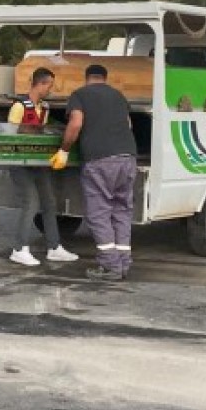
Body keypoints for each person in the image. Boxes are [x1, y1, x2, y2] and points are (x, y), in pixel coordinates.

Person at [52, 64, 138, 281]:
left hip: (100, 160)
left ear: (87, 78)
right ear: (104, 78)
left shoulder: (80, 94)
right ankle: (123, 263)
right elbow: (128, 124)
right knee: (121, 210)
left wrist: (64, 149)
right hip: (128, 157)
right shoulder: (118, 95)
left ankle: (110, 266)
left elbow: (76, 123)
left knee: (99, 213)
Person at [7, 67, 78, 266]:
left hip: (38, 162)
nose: (50, 90)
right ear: (41, 84)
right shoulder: (19, 106)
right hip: (20, 162)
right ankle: (19, 248)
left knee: (49, 202)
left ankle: (54, 247)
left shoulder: (44, 108)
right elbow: (10, 135)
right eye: (50, 86)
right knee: (30, 202)